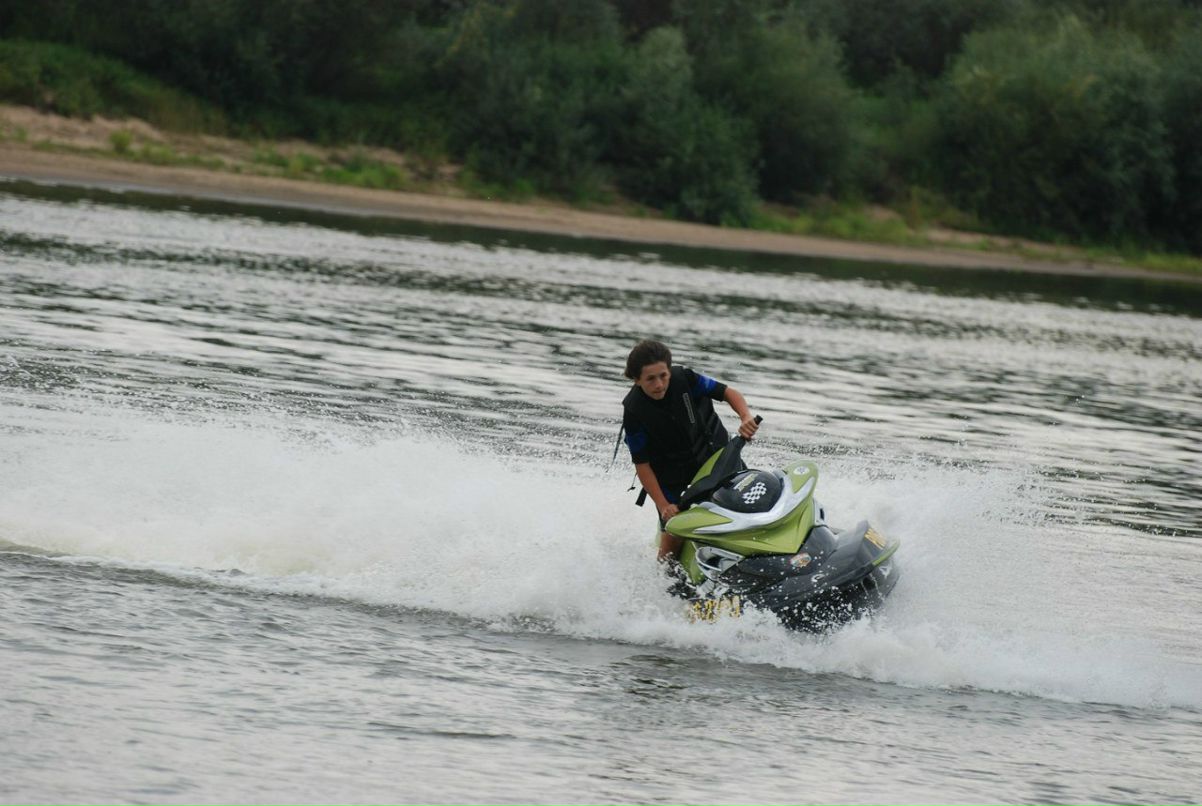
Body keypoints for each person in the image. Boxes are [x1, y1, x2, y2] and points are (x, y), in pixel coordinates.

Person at [620, 339, 759, 562]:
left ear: (669, 370)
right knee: (673, 536)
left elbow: (728, 392)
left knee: (749, 499)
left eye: (663, 375)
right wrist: (663, 506)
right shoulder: (634, 412)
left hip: (715, 458)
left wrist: (745, 417)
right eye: (650, 379)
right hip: (672, 479)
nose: (659, 384)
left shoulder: (686, 378)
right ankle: (665, 575)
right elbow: (642, 465)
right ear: (636, 380)